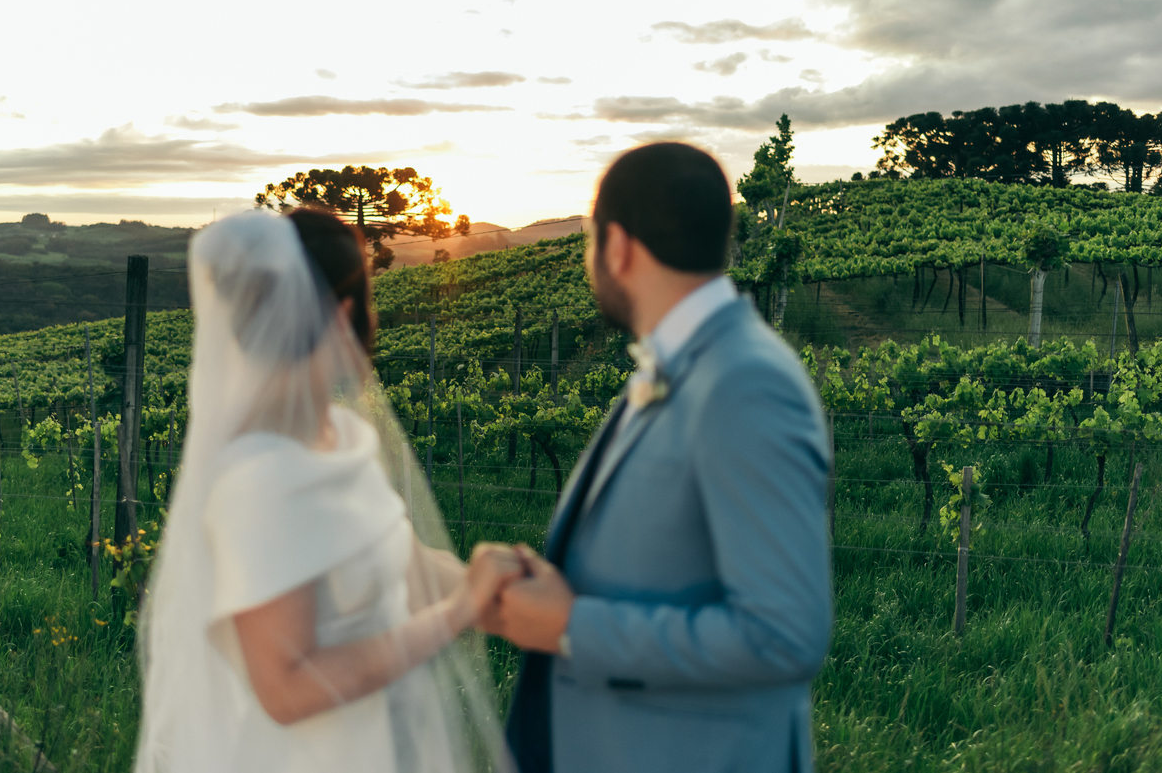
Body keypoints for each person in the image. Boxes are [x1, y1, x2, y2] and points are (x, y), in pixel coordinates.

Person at [135, 208, 519, 773]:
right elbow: (286, 688)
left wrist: (510, 595)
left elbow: (404, 566)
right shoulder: (258, 479)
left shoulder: (341, 437)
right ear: (344, 314)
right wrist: (457, 613)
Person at [489, 142, 833, 773]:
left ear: (617, 247)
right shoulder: (686, 363)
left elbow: (784, 635)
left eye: (590, 243)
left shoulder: (744, 383)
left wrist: (573, 626)